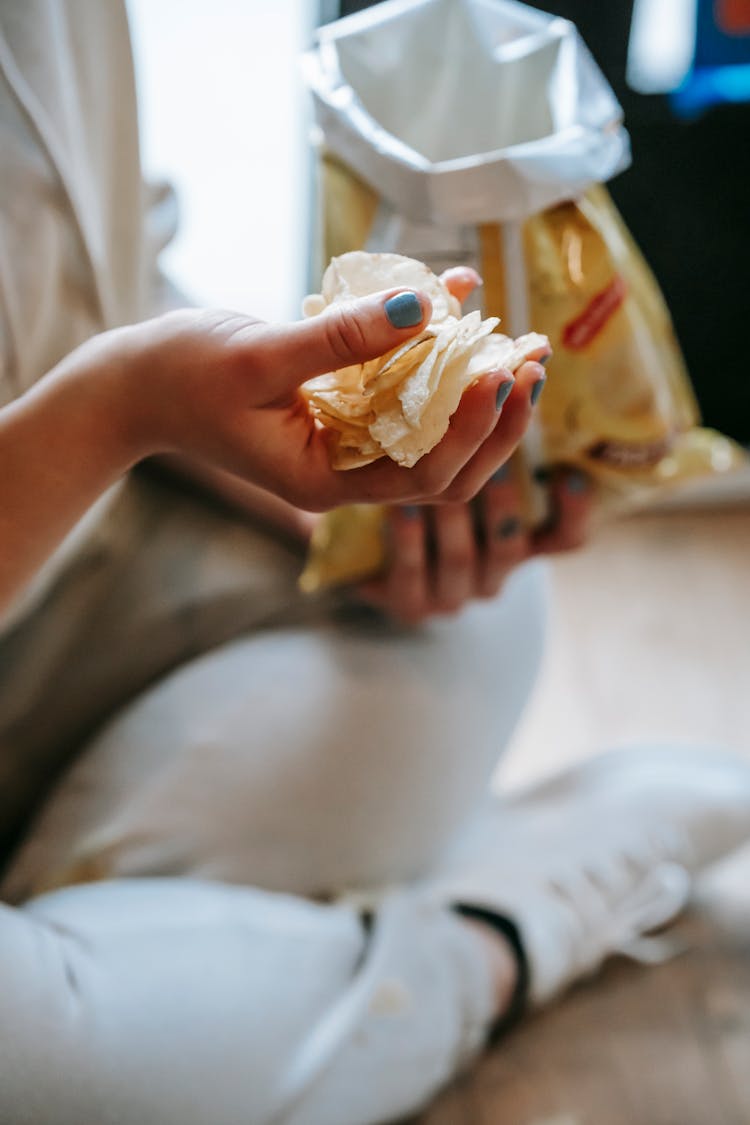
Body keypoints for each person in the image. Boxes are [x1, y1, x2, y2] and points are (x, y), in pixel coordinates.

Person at [1, 4, 749, 1124]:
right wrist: (120, 404)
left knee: (474, 611)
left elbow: (94, 284)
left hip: (58, 576)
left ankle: (149, 983)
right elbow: (104, 383)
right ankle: (487, 937)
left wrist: (342, 504)